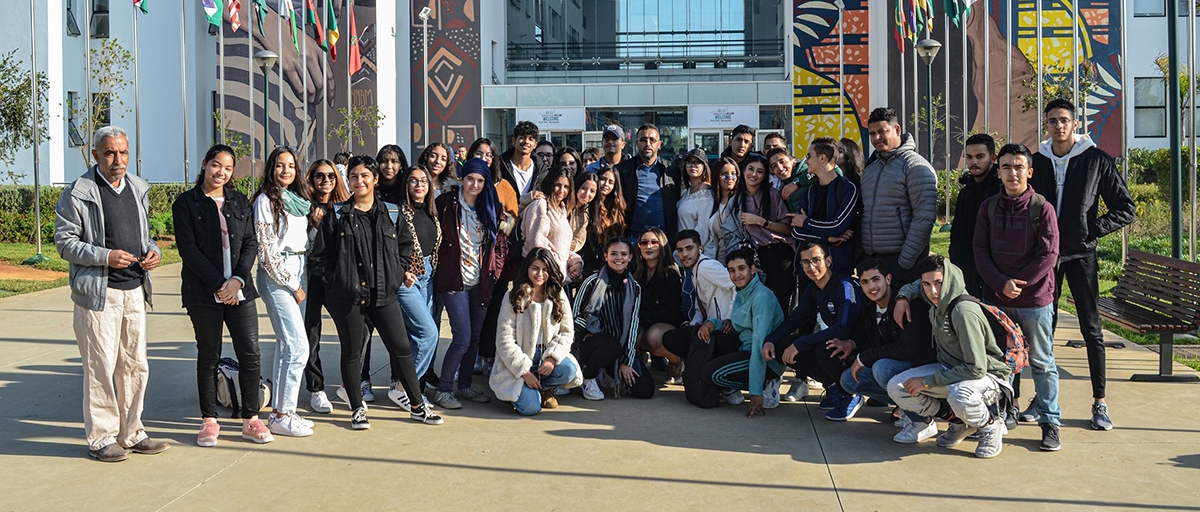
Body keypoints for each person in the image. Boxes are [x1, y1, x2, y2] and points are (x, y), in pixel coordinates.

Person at [55, 125, 169, 462]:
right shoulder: (78, 192)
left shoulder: (137, 187)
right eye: (109, 153)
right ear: (96, 155)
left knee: (135, 365)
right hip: (99, 293)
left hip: (135, 289)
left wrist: (153, 252)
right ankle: (102, 438)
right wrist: (105, 256)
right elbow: (65, 242)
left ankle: (132, 432)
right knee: (100, 366)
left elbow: (143, 235)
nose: (117, 160)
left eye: (123, 152)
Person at [308, 156, 444, 428]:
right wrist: (338, 280)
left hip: (384, 293)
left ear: (375, 180)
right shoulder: (337, 215)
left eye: (365, 176)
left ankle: (417, 405)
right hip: (349, 296)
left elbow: (405, 247)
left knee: (402, 347)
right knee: (352, 351)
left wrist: (398, 272)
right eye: (354, 177)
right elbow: (319, 257)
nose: (359, 181)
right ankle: (357, 408)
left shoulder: (392, 213)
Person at [1030, 98, 1136, 431]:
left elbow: (1125, 208)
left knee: (1092, 330)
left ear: (1076, 124)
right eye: (1052, 120)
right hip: (1045, 258)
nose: (1058, 126)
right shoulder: (1037, 161)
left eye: (1064, 120)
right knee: (1042, 328)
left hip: (1081, 256)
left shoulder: (1096, 160)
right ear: (1045, 125)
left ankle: (1099, 402)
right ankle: (1041, 399)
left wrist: (1092, 231)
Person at [176, 145, 275, 446]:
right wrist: (219, 284)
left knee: (250, 352)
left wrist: (236, 281)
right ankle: (209, 420)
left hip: (239, 291)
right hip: (203, 292)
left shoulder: (239, 201)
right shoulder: (187, 203)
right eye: (216, 165)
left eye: (228, 168)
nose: (221, 172)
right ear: (204, 164)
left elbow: (250, 243)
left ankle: (251, 419)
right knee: (209, 355)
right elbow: (188, 249)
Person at [974, 143, 1062, 450]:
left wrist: (1018, 284)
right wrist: (1000, 283)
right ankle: (1005, 413)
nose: (1013, 173)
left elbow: (1048, 254)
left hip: (1034, 301)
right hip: (998, 299)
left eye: (1019, 166)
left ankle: (1050, 421)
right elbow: (980, 251)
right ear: (998, 172)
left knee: (1041, 362)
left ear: (1030, 171)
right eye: (1007, 167)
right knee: (1001, 362)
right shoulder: (988, 208)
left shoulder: (1042, 208)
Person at [887, 255, 1012, 458]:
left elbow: (976, 368)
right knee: (897, 387)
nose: (932, 290)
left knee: (960, 395)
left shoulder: (963, 312)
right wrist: (902, 298)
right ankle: (958, 422)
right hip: (951, 370)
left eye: (938, 283)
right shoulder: (936, 298)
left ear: (950, 280)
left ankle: (990, 425)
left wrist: (927, 382)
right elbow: (917, 284)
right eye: (927, 284)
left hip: (986, 376)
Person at [431, 158, 510, 409]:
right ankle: (444, 389)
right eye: (470, 179)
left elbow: (500, 246)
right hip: (455, 279)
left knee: (475, 338)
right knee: (462, 338)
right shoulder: (446, 203)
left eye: (480, 180)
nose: (474, 184)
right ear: (462, 179)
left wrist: (495, 272)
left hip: (482, 280)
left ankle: (464, 386)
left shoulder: (492, 207)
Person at [763, 241, 865, 420]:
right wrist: (771, 340)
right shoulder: (814, 289)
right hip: (838, 343)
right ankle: (833, 386)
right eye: (805, 262)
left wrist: (800, 343)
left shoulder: (844, 285)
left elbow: (843, 328)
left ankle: (850, 394)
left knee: (823, 348)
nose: (811, 267)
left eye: (816, 260)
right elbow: (795, 319)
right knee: (782, 346)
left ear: (829, 260)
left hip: (860, 345)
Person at [252, 146, 314, 437]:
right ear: (271, 169)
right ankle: (282, 414)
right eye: (279, 165)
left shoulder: (299, 200)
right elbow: (266, 251)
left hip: (298, 266)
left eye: (290, 165)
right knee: (298, 346)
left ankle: (282, 409)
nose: (286, 170)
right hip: (278, 275)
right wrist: (295, 286)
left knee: (285, 345)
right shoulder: (266, 200)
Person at [840, 258, 935, 426]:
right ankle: (906, 405)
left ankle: (922, 421)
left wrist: (864, 357)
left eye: (876, 279)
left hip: (923, 366)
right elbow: (869, 338)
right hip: (900, 369)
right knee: (848, 379)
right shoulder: (870, 308)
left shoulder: (909, 305)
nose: (872, 287)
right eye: (865, 282)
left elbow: (907, 349)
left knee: (882, 368)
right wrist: (852, 344)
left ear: (888, 279)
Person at [491, 248, 584, 415]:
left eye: (545, 269)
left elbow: (567, 332)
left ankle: (542, 389)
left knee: (569, 370)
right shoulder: (513, 296)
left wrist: (552, 357)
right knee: (531, 408)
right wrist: (524, 371)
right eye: (535, 268)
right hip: (520, 359)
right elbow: (504, 340)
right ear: (527, 269)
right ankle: (522, 391)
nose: (539, 273)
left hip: (545, 356)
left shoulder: (558, 294)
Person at [695, 248, 786, 416]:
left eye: (741, 268)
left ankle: (767, 382)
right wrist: (712, 323)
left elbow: (759, 346)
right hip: (745, 346)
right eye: (732, 270)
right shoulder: (742, 292)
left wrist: (755, 393)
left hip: (765, 359)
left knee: (710, 373)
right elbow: (738, 326)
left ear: (752, 269)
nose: (737, 274)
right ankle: (739, 385)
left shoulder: (761, 298)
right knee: (711, 338)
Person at [860, 107, 938, 286]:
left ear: (897, 130)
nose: (876, 138)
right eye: (872, 133)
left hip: (902, 262)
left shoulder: (915, 167)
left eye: (882, 132)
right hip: (872, 260)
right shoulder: (871, 169)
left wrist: (905, 261)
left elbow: (924, 218)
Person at [572, 238, 655, 400]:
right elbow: (573, 315)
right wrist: (587, 326)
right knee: (610, 346)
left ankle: (608, 371)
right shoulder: (592, 282)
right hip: (590, 343)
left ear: (630, 257)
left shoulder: (634, 287)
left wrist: (627, 361)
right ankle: (588, 376)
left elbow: (633, 325)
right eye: (613, 254)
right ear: (605, 256)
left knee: (645, 390)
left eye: (624, 254)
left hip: (620, 347)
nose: (619, 258)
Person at [302, 159, 350, 415]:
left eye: (331, 176)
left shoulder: (344, 207)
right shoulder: (302, 207)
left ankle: (350, 383)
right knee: (311, 333)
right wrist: (314, 226)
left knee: (355, 331)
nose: (326, 181)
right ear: (311, 179)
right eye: (319, 176)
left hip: (336, 277)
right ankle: (316, 388)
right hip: (309, 278)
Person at [660, 229, 737, 384]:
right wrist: (694, 324)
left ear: (700, 249)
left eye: (689, 248)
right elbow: (699, 306)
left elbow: (738, 285)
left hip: (725, 330)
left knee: (675, 340)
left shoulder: (706, 266)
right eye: (680, 250)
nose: (685, 254)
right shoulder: (694, 272)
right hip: (712, 327)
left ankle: (726, 383)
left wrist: (730, 316)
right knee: (673, 338)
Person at [395, 164, 442, 403]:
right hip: (407, 279)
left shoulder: (431, 211)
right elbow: (389, 248)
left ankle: (409, 388)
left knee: (417, 337)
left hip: (428, 276)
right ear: (406, 185)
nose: (419, 185)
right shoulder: (398, 212)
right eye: (413, 181)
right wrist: (403, 269)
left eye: (424, 181)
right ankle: (405, 389)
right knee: (428, 334)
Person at [729, 153, 796, 310]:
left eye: (760, 171)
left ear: (765, 175)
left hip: (782, 253)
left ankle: (781, 335)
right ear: (743, 170)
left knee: (780, 305)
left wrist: (761, 222)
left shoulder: (772, 195)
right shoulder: (735, 202)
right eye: (750, 169)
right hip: (758, 257)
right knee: (760, 306)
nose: (754, 174)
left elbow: (788, 229)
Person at [788, 138, 859, 274]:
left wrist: (806, 222)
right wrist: (826, 238)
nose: (806, 161)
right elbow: (796, 231)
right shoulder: (810, 191)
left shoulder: (848, 188)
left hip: (838, 266)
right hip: (809, 268)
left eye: (809, 156)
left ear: (822, 158)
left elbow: (837, 227)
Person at [950, 134, 1000, 297]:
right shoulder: (966, 191)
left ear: (993, 158)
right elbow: (957, 232)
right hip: (966, 270)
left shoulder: (1001, 191)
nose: (974, 162)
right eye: (969, 157)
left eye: (980, 157)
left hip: (994, 273)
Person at [632, 228, 683, 375]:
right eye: (644, 242)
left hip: (666, 324)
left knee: (653, 337)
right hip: (643, 322)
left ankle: (676, 362)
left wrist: (639, 317)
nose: (649, 246)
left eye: (654, 242)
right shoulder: (635, 272)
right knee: (632, 333)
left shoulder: (671, 274)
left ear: (662, 246)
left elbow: (670, 314)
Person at [619, 123, 680, 239]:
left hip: (664, 239)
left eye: (652, 140)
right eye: (643, 140)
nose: (647, 144)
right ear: (637, 143)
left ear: (659, 144)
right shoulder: (623, 170)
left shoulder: (671, 170)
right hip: (632, 238)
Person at [521, 167, 578, 284]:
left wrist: (576, 261)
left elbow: (561, 247)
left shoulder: (562, 210)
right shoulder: (540, 205)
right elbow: (535, 243)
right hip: (539, 278)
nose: (561, 190)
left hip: (556, 278)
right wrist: (556, 262)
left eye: (566, 187)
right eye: (558, 185)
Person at [498, 121, 549, 211]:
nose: (526, 142)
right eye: (522, 138)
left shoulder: (543, 172)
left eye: (531, 139)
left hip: (531, 221)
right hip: (505, 220)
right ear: (514, 140)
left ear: (535, 145)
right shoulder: (500, 166)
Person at [677, 148, 715, 256]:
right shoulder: (686, 192)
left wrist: (691, 251)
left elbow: (703, 231)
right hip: (683, 251)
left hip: (695, 254)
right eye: (689, 162)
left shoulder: (706, 195)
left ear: (704, 167)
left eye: (698, 162)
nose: (693, 165)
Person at [568, 171, 600, 281]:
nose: (587, 194)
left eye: (592, 191)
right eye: (583, 188)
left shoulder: (589, 214)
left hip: (574, 259)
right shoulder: (565, 205)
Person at [708, 157, 740, 261]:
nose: (730, 177)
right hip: (718, 258)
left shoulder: (740, 200)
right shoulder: (712, 201)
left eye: (733, 173)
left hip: (737, 257)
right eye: (724, 174)